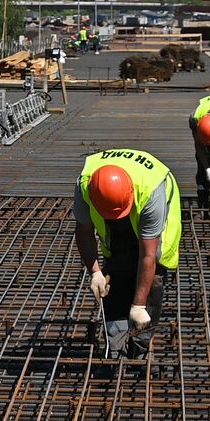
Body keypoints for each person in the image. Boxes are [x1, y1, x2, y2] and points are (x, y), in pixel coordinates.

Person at [74, 150, 181, 360]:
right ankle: (116, 345)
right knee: (115, 272)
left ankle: (140, 345)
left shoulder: (151, 191)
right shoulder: (85, 186)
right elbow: (84, 231)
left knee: (153, 275)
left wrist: (138, 305)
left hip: (154, 209)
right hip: (121, 201)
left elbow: (147, 255)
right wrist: (95, 272)